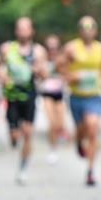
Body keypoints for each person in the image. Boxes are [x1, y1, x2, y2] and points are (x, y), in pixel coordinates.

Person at [0, 17, 48, 185]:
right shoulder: (7, 48)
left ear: (31, 31)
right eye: (20, 28)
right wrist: (3, 77)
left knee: (28, 134)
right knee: (14, 136)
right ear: (16, 31)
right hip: (12, 97)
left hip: (29, 95)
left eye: (26, 28)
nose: (23, 32)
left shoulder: (39, 51)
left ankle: (23, 168)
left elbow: (44, 75)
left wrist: (38, 70)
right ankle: (13, 135)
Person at [63, 16, 101, 186]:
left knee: (92, 128)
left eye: (91, 28)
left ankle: (90, 171)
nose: (87, 31)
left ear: (95, 31)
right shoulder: (70, 48)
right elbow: (62, 71)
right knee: (81, 130)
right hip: (76, 97)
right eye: (84, 27)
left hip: (94, 96)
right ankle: (78, 142)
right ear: (79, 30)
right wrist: (71, 76)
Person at [39, 34, 67, 164]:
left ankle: (56, 140)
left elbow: (67, 74)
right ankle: (52, 149)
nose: (52, 50)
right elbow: (42, 75)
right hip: (47, 94)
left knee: (60, 124)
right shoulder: (42, 60)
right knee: (52, 123)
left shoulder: (63, 60)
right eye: (50, 47)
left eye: (55, 47)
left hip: (59, 94)